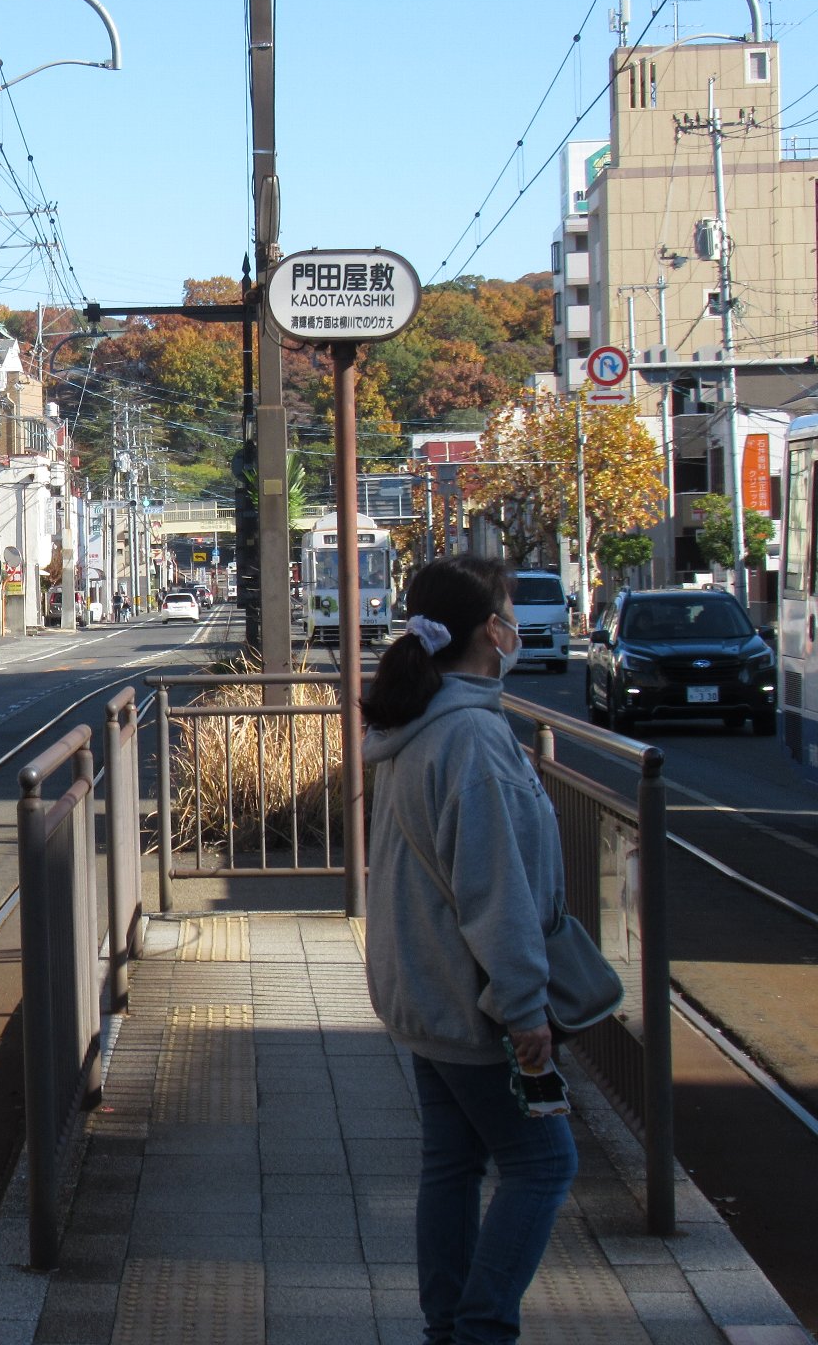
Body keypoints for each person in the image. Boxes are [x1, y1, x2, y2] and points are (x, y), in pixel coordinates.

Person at [360, 555, 575, 1345]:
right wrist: (525, 1010)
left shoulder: (417, 727)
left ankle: (447, 1326)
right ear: (493, 630)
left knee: (451, 1165)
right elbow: (496, 892)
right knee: (544, 1165)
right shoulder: (475, 741)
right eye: (510, 611)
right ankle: (482, 1329)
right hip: (474, 1000)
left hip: (423, 990)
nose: (516, 625)